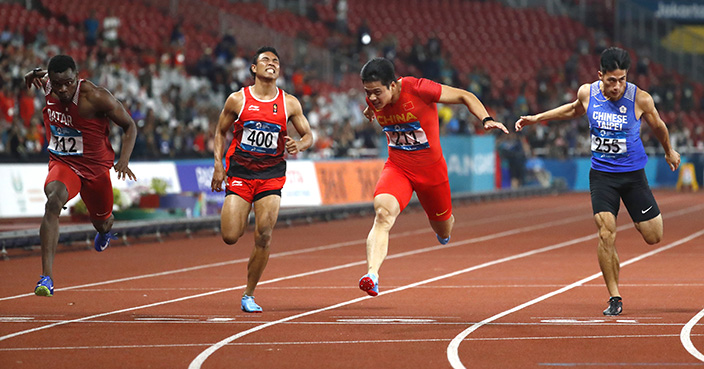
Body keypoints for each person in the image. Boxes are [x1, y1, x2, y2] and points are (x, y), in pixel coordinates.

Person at [515, 47, 681, 316]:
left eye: (622, 79)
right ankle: (614, 296)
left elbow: (659, 126)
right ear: (600, 75)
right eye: (611, 80)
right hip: (602, 175)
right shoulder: (587, 92)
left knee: (654, 236)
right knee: (606, 232)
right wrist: (538, 118)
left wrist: (669, 150)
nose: (617, 86)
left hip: (632, 176)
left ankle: (639, 221)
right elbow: (573, 110)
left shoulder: (640, 99)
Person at [358, 57, 508, 297]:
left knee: (444, 228)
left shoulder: (418, 88)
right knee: (382, 214)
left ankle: (444, 229)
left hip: (431, 173)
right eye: (368, 93)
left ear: (393, 85)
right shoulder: (374, 98)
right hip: (398, 168)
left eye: (376, 92)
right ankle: (372, 275)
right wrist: (369, 107)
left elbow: (464, 96)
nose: (372, 98)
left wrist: (486, 119)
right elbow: (371, 104)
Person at [210, 46, 313, 313]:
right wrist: (218, 167)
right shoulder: (237, 100)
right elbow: (220, 132)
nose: (272, 63)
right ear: (254, 69)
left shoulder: (289, 102)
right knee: (230, 236)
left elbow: (309, 136)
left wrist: (299, 145)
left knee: (264, 236)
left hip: (271, 175)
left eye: (276, 61)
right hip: (241, 173)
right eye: (265, 60)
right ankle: (240, 211)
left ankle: (249, 294)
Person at [24, 54, 137, 297]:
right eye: (57, 84)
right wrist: (32, 74)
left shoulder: (95, 97)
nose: (63, 90)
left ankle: (105, 231)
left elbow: (129, 126)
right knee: (53, 201)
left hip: (95, 170)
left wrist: (124, 160)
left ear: (77, 77)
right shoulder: (48, 84)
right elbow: (39, 74)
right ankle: (46, 278)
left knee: (102, 221)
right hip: (64, 164)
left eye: (68, 83)